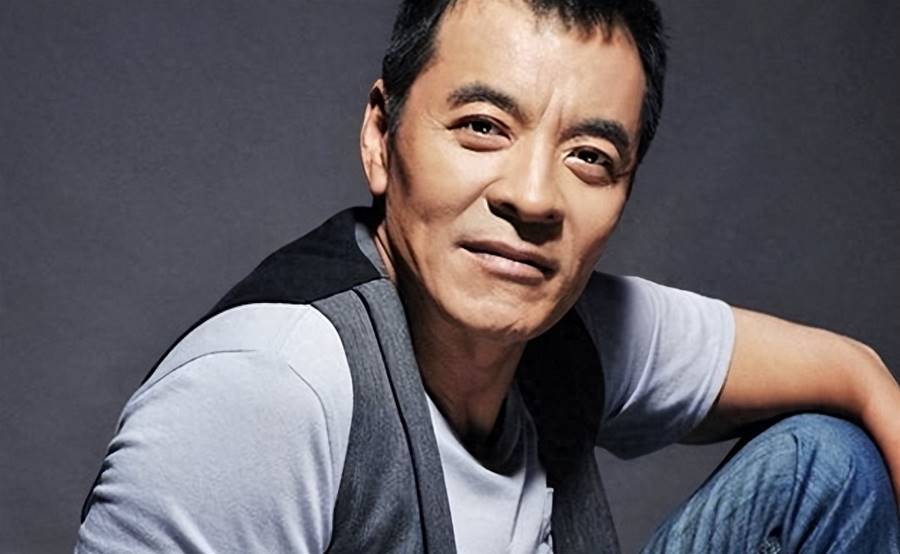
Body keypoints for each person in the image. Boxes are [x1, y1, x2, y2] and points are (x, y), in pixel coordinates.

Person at [75, 0, 900, 552]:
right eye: (482, 126)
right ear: (381, 136)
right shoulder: (266, 391)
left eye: (590, 157)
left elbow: (854, 373)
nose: (533, 197)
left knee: (827, 468)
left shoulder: (571, 329)